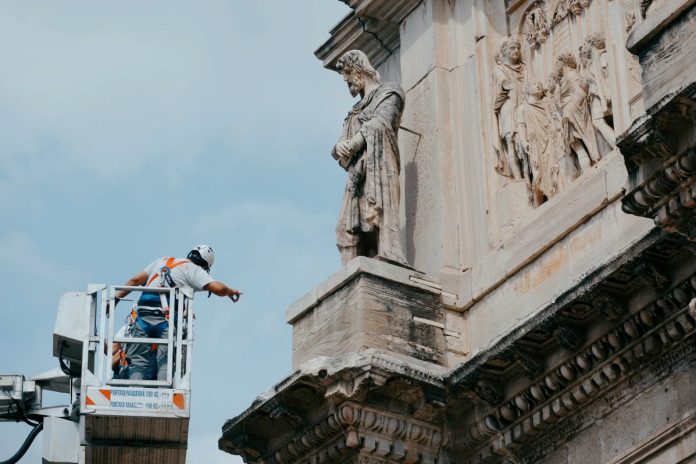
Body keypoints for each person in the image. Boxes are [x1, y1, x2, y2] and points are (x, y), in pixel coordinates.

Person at [113, 244, 241, 381]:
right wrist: (229, 291)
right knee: (165, 360)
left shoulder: (162, 261)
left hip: (143, 314)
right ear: (205, 265)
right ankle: (163, 396)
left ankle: (134, 390)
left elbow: (135, 280)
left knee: (138, 361)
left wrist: (116, 298)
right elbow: (218, 288)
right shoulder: (194, 270)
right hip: (165, 320)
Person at [332, 50, 408, 266]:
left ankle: (388, 259)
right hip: (356, 176)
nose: (346, 80)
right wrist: (340, 148)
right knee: (345, 228)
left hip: (380, 168)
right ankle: (351, 273)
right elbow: (341, 141)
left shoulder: (390, 92)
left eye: (347, 73)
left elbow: (381, 122)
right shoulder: (355, 110)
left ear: (359, 70)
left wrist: (354, 143)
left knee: (379, 217)